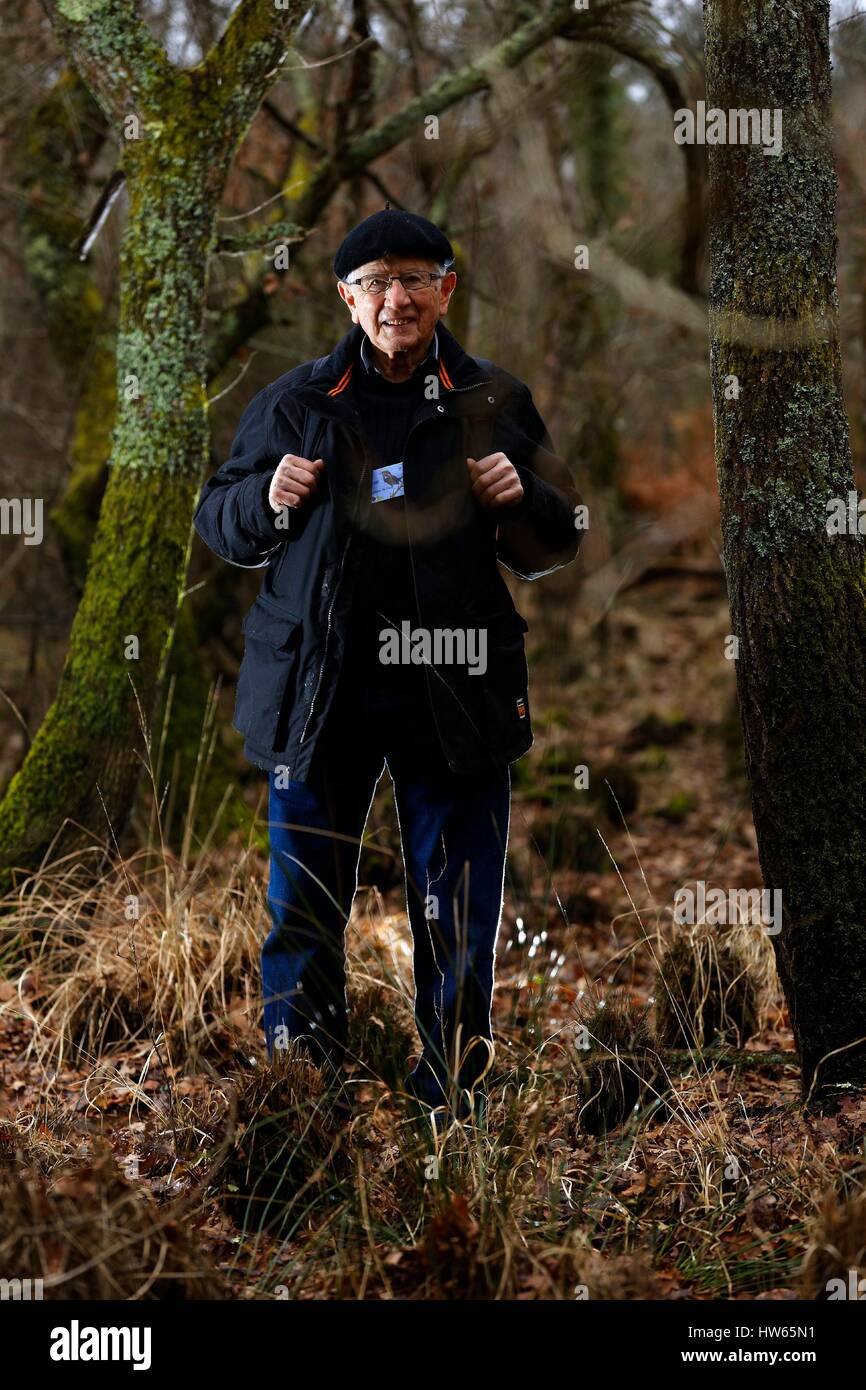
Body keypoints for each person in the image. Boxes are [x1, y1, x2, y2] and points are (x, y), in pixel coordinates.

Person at [193, 208, 583, 1119]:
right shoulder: (294, 401)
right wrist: (263, 495)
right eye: (374, 282)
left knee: (456, 905)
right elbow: (219, 520)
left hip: (453, 688)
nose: (394, 298)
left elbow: (556, 537)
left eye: (414, 278)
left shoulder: (494, 400)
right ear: (346, 297)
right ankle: (302, 1093)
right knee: (303, 902)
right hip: (318, 690)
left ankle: (453, 1090)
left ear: (447, 288)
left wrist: (523, 495)